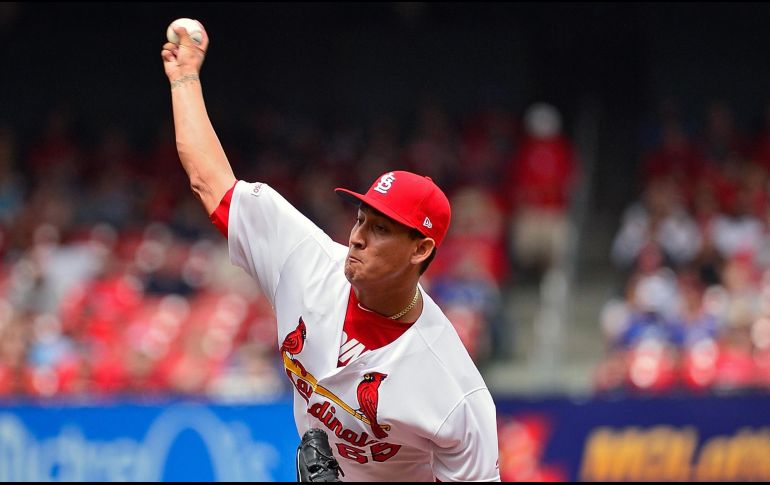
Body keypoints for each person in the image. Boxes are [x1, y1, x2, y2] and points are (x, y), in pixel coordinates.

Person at [160, 22, 500, 482]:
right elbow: (210, 180)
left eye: (380, 229)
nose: (357, 236)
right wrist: (185, 80)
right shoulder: (305, 258)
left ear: (420, 249)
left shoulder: (454, 391)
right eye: (361, 218)